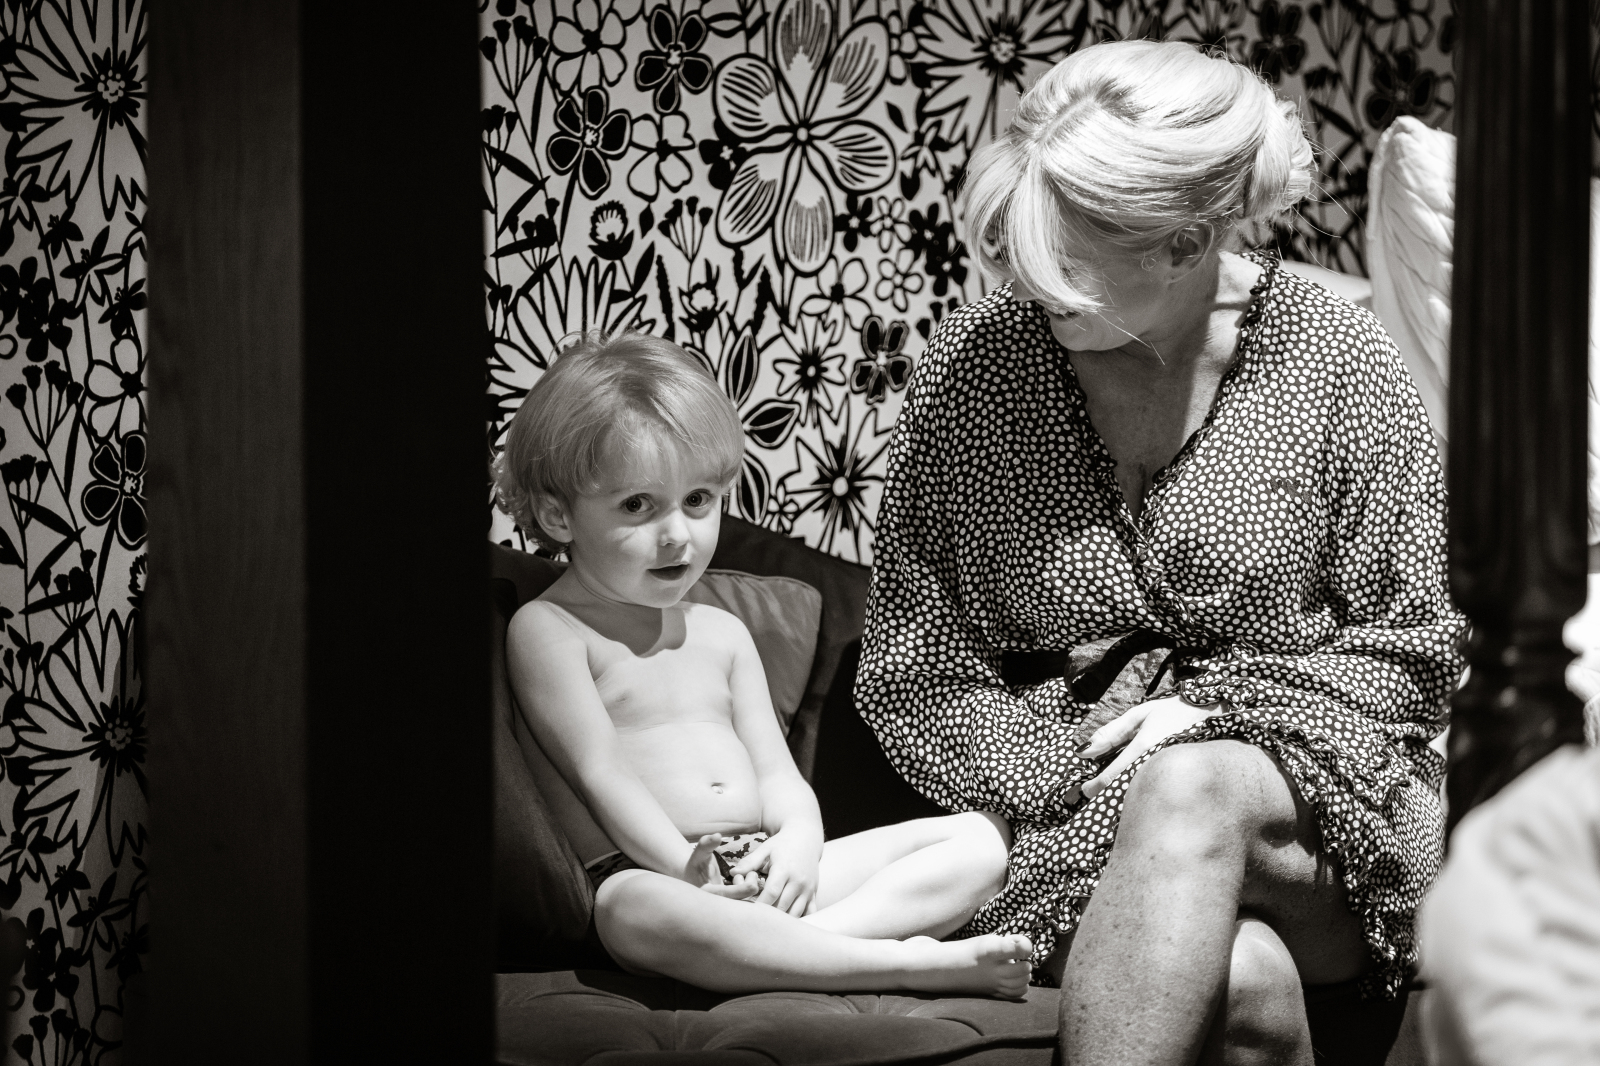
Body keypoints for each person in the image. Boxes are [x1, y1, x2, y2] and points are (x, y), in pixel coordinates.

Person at [855, 39, 1466, 1064]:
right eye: (1014, 255)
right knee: (1245, 979)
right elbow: (915, 666)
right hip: (1055, 813)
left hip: (1314, 801)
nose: (1026, 291)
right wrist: (1062, 775)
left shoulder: (1336, 357)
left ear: (1184, 244)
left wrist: (1214, 718)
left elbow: (1418, 643)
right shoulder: (975, 367)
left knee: (1191, 785)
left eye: (1062, 272)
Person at [496, 331, 1032, 997]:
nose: (677, 534)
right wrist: (684, 866)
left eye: (698, 500)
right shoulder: (549, 629)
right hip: (657, 875)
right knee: (631, 913)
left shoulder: (723, 633)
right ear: (558, 514)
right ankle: (898, 963)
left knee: (983, 840)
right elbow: (599, 773)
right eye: (637, 505)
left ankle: (794, 952)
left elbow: (778, 773)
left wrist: (801, 840)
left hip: (763, 864)